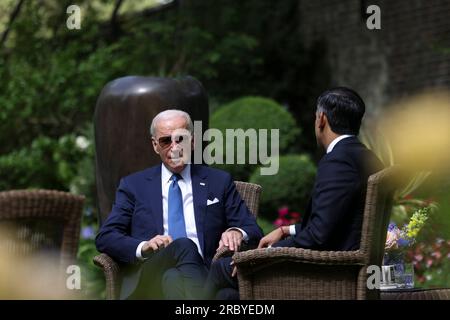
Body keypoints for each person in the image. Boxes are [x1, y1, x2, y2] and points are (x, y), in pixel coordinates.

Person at [205, 87, 384, 299]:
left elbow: (318, 237)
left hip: (323, 272)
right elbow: (335, 221)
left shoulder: (337, 161)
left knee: (219, 269)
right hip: (347, 265)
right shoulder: (368, 158)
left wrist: (265, 254)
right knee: (227, 296)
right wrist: (286, 230)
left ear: (321, 119)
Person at [95, 109, 263, 299]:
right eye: (166, 141)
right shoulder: (134, 185)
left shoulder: (218, 181)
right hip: (150, 274)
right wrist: (144, 246)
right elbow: (106, 236)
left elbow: (253, 229)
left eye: (180, 139)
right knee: (183, 245)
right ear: (155, 145)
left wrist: (237, 231)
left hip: (202, 275)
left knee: (214, 292)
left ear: (192, 141)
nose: (174, 147)